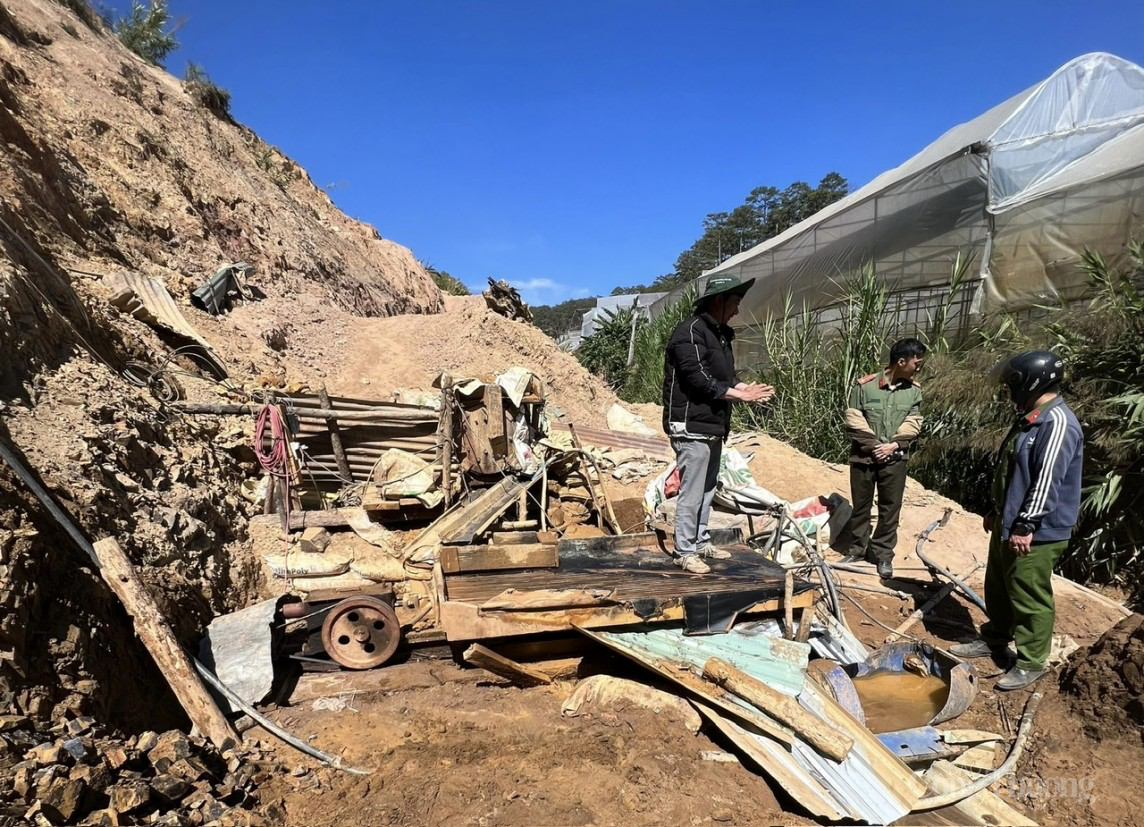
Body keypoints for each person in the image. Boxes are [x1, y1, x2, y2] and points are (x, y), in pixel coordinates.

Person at [950, 351, 1084, 691]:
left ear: (1030, 383)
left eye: (1012, 385)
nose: (1008, 392)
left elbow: (1046, 480)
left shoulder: (1057, 424)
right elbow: (1014, 472)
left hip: (1037, 530)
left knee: (1028, 592)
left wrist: (1026, 524)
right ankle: (995, 637)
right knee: (999, 583)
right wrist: (999, 510)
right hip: (1012, 520)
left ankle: (1031, 661)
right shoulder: (1031, 417)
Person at [661, 274, 774, 573]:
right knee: (693, 490)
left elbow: (726, 379)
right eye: (735, 303)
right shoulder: (689, 332)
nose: (737, 310)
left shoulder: (720, 336)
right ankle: (684, 551)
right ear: (718, 300)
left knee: (708, 488)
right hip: (690, 424)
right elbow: (698, 379)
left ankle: (699, 542)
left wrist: (744, 387)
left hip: (712, 424)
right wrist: (739, 396)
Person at [840, 338, 927, 580]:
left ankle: (882, 555)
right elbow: (853, 418)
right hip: (863, 459)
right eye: (916, 363)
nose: (918, 367)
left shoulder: (914, 391)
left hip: (895, 459)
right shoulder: (864, 386)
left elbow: (914, 423)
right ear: (901, 361)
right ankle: (857, 550)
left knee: (890, 510)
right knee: (861, 507)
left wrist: (894, 445)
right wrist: (876, 446)